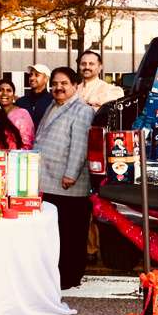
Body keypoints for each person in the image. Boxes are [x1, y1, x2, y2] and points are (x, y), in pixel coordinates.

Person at [33, 66, 94, 290]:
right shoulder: (53, 105)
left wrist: (71, 174)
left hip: (68, 183)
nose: (58, 87)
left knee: (71, 233)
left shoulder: (82, 110)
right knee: (56, 232)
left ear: (75, 86)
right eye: (55, 83)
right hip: (49, 179)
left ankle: (70, 277)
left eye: (64, 83)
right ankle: (56, 275)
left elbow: (80, 145)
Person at [0, 79, 35, 149]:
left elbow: (27, 143)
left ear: (13, 95)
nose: (4, 93)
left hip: (16, 157)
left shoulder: (22, 114)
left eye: (9, 90)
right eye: (1, 90)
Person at [17, 64, 52, 130]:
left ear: (46, 79)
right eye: (31, 75)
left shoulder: (52, 102)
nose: (32, 78)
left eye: (37, 75)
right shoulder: (21, 102)